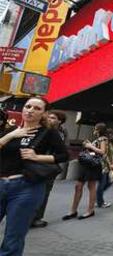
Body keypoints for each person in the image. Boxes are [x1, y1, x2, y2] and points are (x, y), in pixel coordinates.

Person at [0, 97, 68, 256]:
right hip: (1, 184)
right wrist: (12, 135)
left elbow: (63, 155)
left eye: (37, 108)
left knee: (13, 236)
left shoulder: (48, 133)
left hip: (26, 188)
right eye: (28, 106)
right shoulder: (11, 130)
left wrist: (37, 157)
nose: (30, 110)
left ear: (43, 113)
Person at [62, 123, 108, 220]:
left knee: (91, 186)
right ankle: (73, 210)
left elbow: (103, 152)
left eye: (95, 129)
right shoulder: (97, 139)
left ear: (99, 130)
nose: (94, 131)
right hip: (87, 165)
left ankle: (90, 210)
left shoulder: (103, 138)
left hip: (94, 165)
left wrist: (90, 146)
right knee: (78, 186)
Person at [31, 110, 68, 228]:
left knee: (44, 192)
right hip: (33, 164)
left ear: (59, 121)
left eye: (53, 118)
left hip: (48, 166)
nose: (49, 119)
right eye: (49, 117)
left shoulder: (61, 133)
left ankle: (37, 218)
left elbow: (63, 152)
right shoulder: (41, 129)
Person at [96, 128, 113, 208]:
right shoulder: (104, 141)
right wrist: (109, 163)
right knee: (102, 183)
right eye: (110, 134)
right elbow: (104, 154)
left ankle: (98, 196)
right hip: (103, 165)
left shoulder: (110, 144)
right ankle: (100, 202)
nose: (112, 136)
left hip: (109, 166)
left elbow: (112, 154)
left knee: (109, 182)